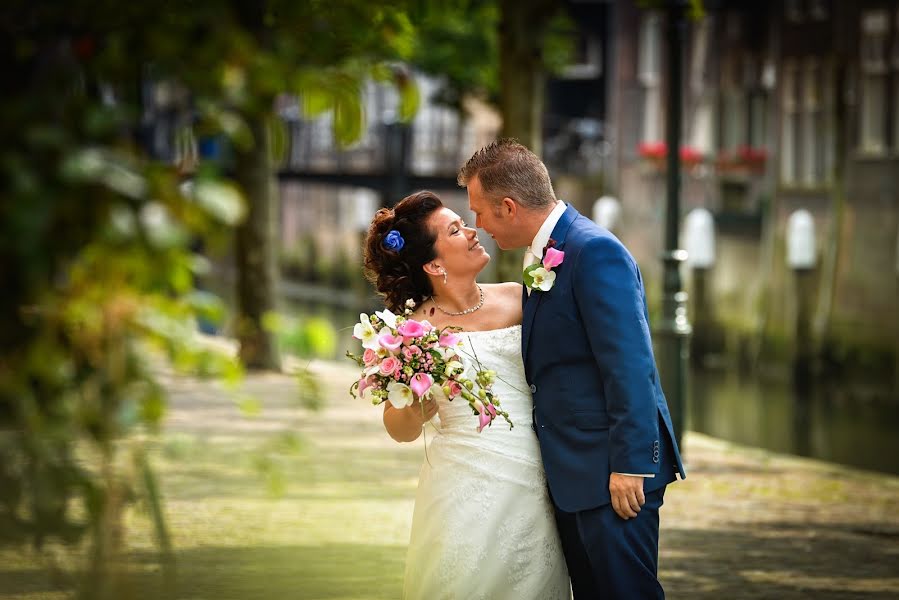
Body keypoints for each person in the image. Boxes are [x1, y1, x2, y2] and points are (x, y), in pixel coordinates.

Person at [458, 139, 686, 599]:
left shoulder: (594, 251)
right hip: (572, 475)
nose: (477, 226)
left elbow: (630, 365)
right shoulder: (546, 251)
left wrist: (630, 465)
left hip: (612, 476)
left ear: (508, 206)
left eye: (479, 212)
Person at [363, 190, 570, 599]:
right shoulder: (410, 333)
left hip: (533, 478)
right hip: (459, 484)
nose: (474, 232)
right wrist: (413, 404)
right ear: (434, 264)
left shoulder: (518, 298)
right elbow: (400, 430)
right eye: (456, 230)